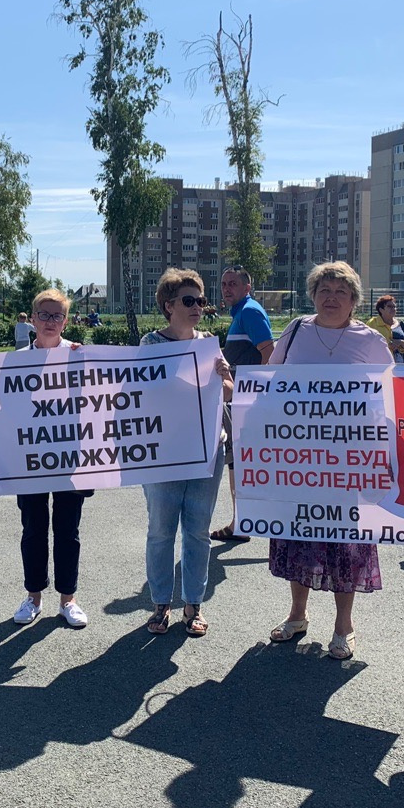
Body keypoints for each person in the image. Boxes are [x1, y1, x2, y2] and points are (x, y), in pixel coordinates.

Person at [265, 261, 391, 661]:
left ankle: (343, 626)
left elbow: (391, 397)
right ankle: (297, 615)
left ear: (354, 300)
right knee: (298, 534)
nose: (331, 297)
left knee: (346, 543)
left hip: (350, 460)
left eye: (340, 291)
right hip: (299, 457)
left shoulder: (370, 340)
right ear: (313, 296)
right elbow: (269, 381)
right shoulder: (296, 331)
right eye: (324, 290)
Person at [140, 269, 232, 636]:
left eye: (201, 300)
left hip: (207, 449)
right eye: (189, 300)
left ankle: (193, 604)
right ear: (169, 306)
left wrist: (224, 375)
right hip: (163, 452)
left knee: (198, 531)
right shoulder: (151, 344)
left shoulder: (208, 343)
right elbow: (138, 393)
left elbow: (228, 391)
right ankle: (161, 603)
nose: (198, 307)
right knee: (161, 530)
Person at [12, 289, 93, 629]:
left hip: (71, 455)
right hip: (30, 457)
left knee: (67, 529)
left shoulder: (79, 355)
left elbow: (98, 400)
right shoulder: (15, 361)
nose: (50, 321)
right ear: (32, 319)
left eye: (57, 315)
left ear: (66, 321)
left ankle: (67, 599)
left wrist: (86, 363)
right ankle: (33, 597)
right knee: (33, 527)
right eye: (44, 314)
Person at [211, 265, 273, 541]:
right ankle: (242, 520)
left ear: (247, 287)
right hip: (239, 399)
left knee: (238, 461)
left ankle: (242, 522)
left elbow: (269, 353)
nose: (226, 289)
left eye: (233, 284)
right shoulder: (241, 313)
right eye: (224, 284)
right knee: (238, 462)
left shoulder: (249, 312)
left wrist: (258, 394)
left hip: (245, 402)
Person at [366, 294, 404, 364]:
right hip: (380, 364)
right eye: (389, 306)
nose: (393, 309)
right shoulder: (372, 324)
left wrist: (400, 342)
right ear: (381, 310)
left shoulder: (401, 324)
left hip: (402, 364)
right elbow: (364, 344)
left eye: (394, 306)